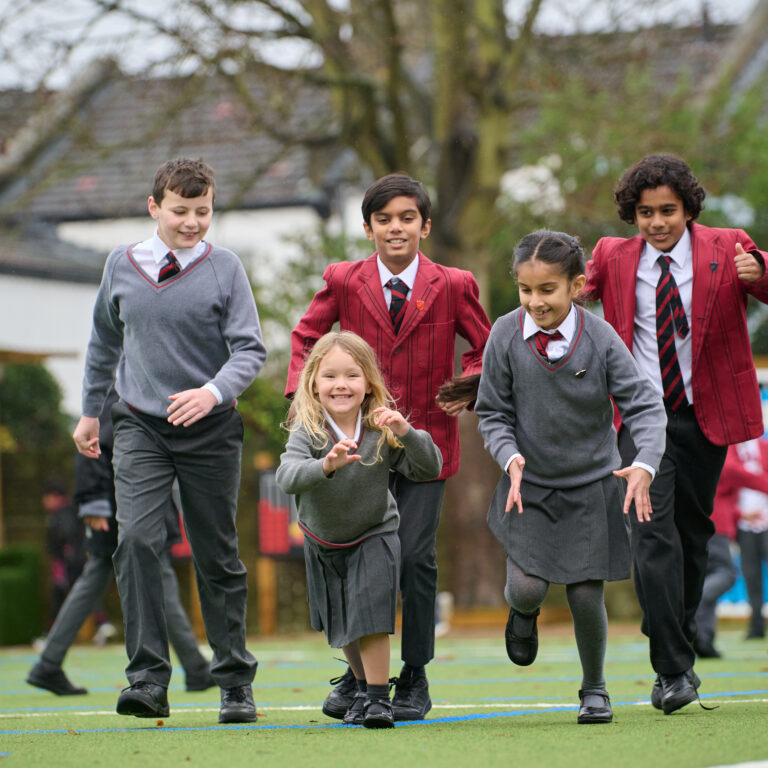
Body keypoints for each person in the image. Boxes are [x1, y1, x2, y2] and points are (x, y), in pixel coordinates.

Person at [285, 173, 491, 721]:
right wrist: (305, 402)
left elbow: (484, 347)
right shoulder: (343, 280)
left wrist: (465, 387)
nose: (395, 228)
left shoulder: (453, 283)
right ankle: (358, 679)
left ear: (424, 225)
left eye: (406, 218)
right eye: (384, 219)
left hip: (423, 446)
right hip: (356, 448)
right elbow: (305, 338)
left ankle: (414, 675)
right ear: (368, 227)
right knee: (352, 559)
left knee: (415, 560)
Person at [72, 157, 266, 723]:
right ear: (154, 207)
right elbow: (104, 341)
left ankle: (233, 681)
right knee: (135, 542)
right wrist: (90, 413)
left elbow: (250, 349)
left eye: (203, 212)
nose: (192, 222)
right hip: (138, 426)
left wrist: (211, 392)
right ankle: (147, 680)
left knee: (216, 555)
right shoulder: (121, 265)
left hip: (209, 430)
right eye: (181, 211)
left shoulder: (225, 268)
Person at [584, 153, 768, 713]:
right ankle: (672, 669)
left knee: (691, 536)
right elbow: (564, 298)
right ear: (631, 215)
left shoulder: (726, 245)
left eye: (667, 210)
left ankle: (678, 638)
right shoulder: (612, 257)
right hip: (642, 417)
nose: (657, 221)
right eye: (645, 212)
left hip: (705, 413)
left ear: (688, 208)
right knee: (651, 534)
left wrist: (761, 274)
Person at [475, 230, 666, 724]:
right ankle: (522, 614)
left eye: (547, 290)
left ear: (577, 285)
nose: (534, 302)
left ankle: (595, 689)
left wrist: (644, 463)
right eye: (525, 290)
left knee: (585, 592)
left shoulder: (601, 338)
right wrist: (509, 456)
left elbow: (644, 406)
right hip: (528, 486)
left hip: (591, 485)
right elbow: (492, 413)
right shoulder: (503, 335)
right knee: (528, 589)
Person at [276, 331, 442, 728]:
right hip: (323, 539)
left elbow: (429, 467)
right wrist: (326, 465)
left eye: (351, 375)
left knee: (371, 615)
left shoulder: (382, 426)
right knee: (342, 622)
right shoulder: (308, 429)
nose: (341, 385)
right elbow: (287, 476)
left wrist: (407, 432)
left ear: (368, 383)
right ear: (313, 383)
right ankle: (362, 689)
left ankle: (377, 700)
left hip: (375, 533)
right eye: (330, 376)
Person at [27, 390, 214, 696]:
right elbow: (91, 446)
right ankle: (195, 669)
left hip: (120, 506)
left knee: (99, 580)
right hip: (124, 508)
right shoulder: (124, 394)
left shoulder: (132, 391)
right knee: (158, 579)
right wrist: (92, 503)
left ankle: (48, 664)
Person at [694, 439, 768, 657]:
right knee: (726, 575)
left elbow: (720, 494)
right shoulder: (724, 455)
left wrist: (740, 514)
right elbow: (736, 473)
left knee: (707, 576)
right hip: (716, 528)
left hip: (706, 524)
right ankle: (692, 606)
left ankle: (704, 641)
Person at [731, 440, 768, 640]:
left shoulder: (763, 448)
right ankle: (757, 626)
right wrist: (742, 514)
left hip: (766, 521)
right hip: (745, 524)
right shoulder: (730, 452)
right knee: (751, 577)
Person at [42, 480, 86, 630]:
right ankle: (50, 633)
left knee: (66, 597)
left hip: (69, 563)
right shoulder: (63, 512)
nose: (44, 502)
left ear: (54, 496)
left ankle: (50, 634)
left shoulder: (64, 512)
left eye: (46, 497)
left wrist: (64, 557)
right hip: (70, 562)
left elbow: (67, 535)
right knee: (67, 596)